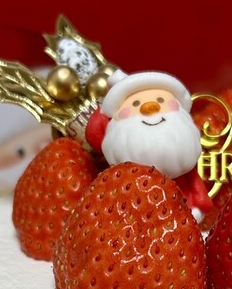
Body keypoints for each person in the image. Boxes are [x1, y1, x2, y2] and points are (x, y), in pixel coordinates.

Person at [85, 70, 212, 220]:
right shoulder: (120, 179)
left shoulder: (186, 167)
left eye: (160, 100)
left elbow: (198, 191)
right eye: (135, 104)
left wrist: (199, 205)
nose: (150, 107)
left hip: (183, 213)